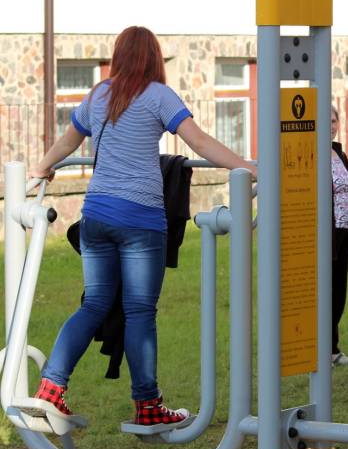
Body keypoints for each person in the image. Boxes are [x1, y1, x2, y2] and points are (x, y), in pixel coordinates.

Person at [29, 26, 257, 426]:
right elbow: (199, 143)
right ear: (153, 57)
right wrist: (248, 166)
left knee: (93, 305)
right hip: (140, 220)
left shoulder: (98, 94)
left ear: (119, 56)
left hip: (96, 215)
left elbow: (67, 143)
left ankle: (50, 389)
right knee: (139, 312)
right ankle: (148, 406)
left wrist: (42, 166)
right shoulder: (158, 95)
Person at [330, 105, 348, 366]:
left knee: (339, 287)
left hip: (345, 227)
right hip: (327, 229)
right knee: (326, 287)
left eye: (334, 120)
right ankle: (319, 349)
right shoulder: (312, 153)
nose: (331, 126)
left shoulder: (337, 152)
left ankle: (332, 349)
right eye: (325, 121)